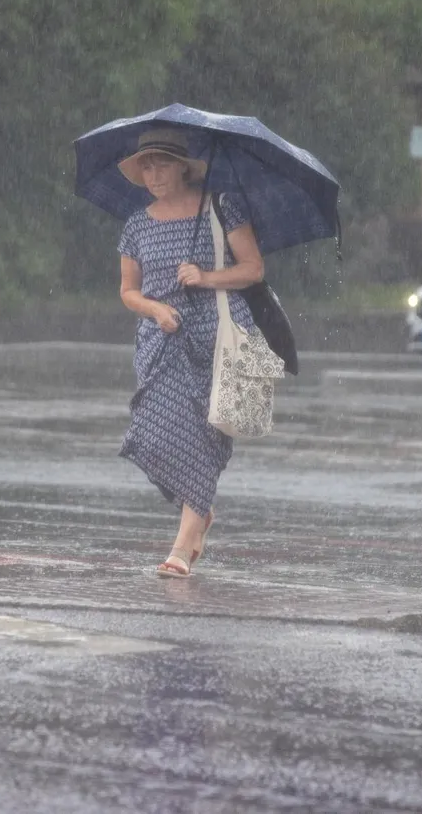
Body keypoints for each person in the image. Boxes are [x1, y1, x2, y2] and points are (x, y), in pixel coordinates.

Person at [115, 128, 265, 578]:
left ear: (183, 165)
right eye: (146, 165)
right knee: (156, 435)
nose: (153, 173)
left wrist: (205, 277)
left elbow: (253, 269)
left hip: (217, 338)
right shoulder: (137, 224)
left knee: (204, 437)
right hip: (160, 342)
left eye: (161, 163)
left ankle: (181, 547)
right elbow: (127, 292)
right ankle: (198, 507)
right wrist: (156, 308)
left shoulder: (221, 208)